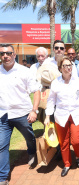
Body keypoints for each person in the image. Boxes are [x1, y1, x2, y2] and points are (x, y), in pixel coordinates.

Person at [44, 56, 79, 177]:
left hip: (76, 114)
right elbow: (51, 101)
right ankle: (66, 164)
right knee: (63, 142)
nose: (68, 67)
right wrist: (47, 116)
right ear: (60, 68)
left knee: (76, 140)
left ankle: (78, 156)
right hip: (61, 115)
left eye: (70, 65)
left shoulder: (78, 81)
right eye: (65, 65)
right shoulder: (55, 83)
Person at [0, 44, 40, 185]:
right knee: (2, 145)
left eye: (8, 53)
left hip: (22, 113)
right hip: (3, 115)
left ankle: (31, 151)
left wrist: (34, 110)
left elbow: (36, 91)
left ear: (14, 55)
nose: (5, 56)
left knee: (29, 138)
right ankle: (3, 177)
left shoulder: (25, 71)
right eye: (2, 53)